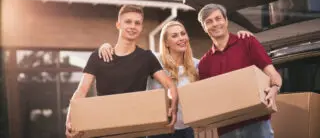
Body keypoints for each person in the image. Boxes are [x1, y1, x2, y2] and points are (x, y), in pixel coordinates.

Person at [99, 20, 253, 138]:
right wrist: (106, 47)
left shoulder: (198, 65)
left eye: (182, 33)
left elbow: (226, 73)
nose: (181, 38)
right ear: (166, 42)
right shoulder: (153, 61)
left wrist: (242, 40)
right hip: (158, 131)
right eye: (174, 35)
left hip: (186, 130)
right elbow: (124, 62)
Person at [65, 5, 179, 138]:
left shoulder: (146, 57)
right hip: (106, 129)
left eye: (137, 23)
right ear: (118, 25)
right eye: (128, 21)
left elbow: (169, 84)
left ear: (141, 27)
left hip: (136, 130)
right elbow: (82, 90)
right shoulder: (98, 56)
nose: (133, 26)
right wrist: (70, 117)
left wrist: (173, 106)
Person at [197, 3, 282, 138]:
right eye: (209, 21)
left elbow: (273, 74)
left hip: (257, 123)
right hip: (226, 130)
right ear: (204, 28)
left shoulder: (247, 42)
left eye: (218, 18)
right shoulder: (204, 64)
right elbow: (209, 101)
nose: (215, 24)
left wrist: (274, 89)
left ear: (226, 21)